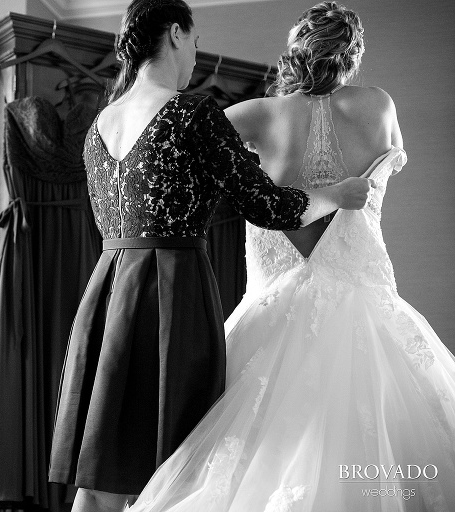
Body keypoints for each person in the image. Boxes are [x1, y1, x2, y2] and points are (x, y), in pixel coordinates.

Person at [47, 1, 376, 511]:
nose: (195, 54)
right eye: (195, 41)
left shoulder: (99, 126)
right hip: (170, 296)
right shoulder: (192, 113)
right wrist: (339, 193)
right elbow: (272, 207)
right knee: (176, 470)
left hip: (107, 296)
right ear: (176, 34)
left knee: (101, 475)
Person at [126, 3, 455, 511]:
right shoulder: (380, 106)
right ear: (352, 54)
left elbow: (180, 139)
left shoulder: (259, 115)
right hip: (368, 312)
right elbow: (397, 157)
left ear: (296, 50)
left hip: (266, 318)